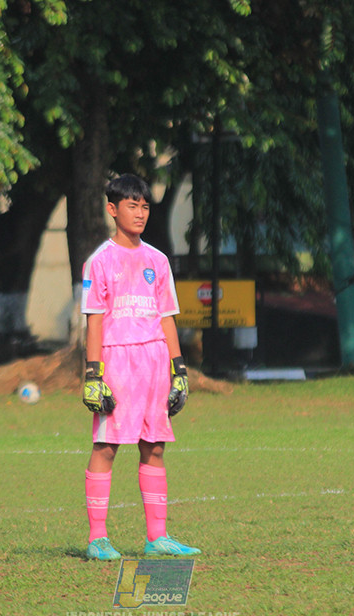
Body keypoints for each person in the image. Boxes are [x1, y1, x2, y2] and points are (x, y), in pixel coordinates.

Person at [80, 173, 199, 561]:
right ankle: (98, 538)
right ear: (113, 209)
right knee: (107, 446)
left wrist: (178, 369)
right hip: (116, 360)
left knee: (155, 446)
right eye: (132, 205)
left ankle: (157, 537)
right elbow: (94, 320)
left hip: (153, 362)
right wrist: (93, 374)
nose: (140, 212)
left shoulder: (157, 260)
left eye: (145, 206)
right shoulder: (99, 261)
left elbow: (167, 316)